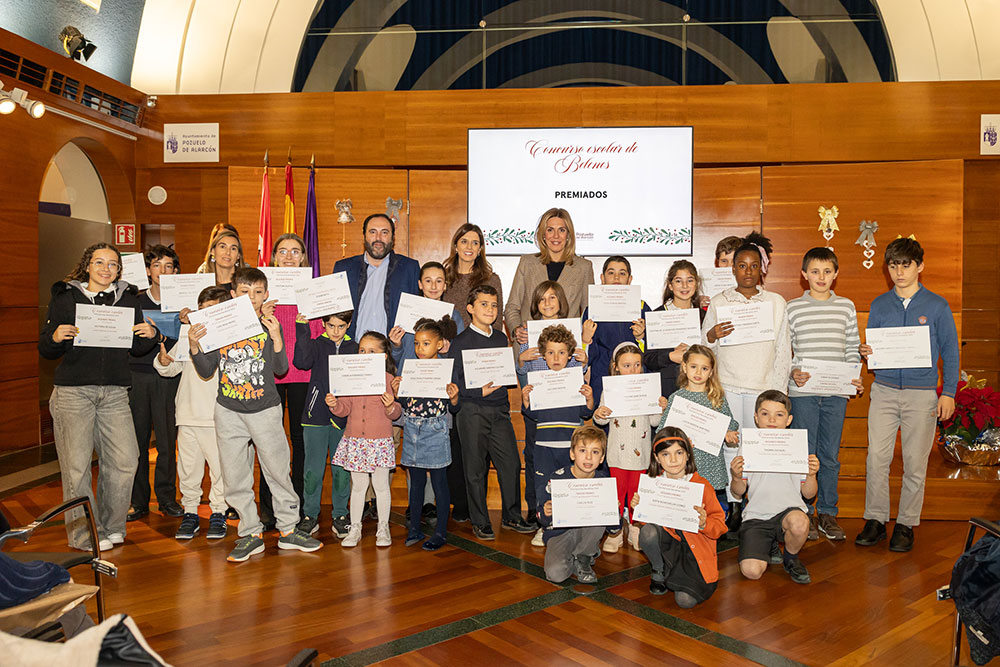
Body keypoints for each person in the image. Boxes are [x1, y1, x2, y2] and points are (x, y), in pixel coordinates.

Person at [190, 267, 322, 562]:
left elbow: (280, 369)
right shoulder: (219, 325)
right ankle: (250, 533)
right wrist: (195, 345)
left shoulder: (268, 324)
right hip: (228, 411)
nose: (252, 298)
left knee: (278, 471)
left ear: (266, 295)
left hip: (265, 409)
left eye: (258, 293)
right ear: (233, 294)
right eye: (245, 292)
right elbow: (206, 369)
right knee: (235, 475)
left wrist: (276, 337)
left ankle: (288, 530)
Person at [39, 242, 161, 552]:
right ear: (87, 266)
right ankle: (83, 535)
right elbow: (46, 347)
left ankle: (112, 527)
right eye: (99, 263)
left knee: (125, 460)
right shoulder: (65, 297)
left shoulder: (129, 300)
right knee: (77, 469)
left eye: (113, 265)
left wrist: (151, 336)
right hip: (73, 393)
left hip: (116, 392)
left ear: (120, 270)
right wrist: (55, 337)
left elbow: (134, 348)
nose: (106, 269)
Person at [856, 237, 958, 553]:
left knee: (915, 463)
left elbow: (951, 352)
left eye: (906, 265)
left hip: (922, 395)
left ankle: (905, 523)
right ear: (888, 269)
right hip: (884, 391)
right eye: (894, 265)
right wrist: (867, 351)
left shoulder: (937, 305)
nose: (899, 272)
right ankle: (875, 519)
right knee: (877, 458)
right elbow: (874, 348)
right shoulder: (879, 304)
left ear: (919, 267)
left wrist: (949, 392)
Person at [702, 232, 790, 528]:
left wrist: (778, 394)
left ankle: (760, 507)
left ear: (762, 269)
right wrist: (712, 335)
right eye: (742, 265)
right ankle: (735, 504)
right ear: (733, 268)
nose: (748, 271)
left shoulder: (776, 302)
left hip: (762, 390)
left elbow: (782, 350)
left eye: (754, 266)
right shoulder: (719, 302)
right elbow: (703, 349)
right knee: (728, 447)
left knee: (756, 448)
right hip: (727, 387)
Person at [787, 247, 863, 542]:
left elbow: (851, 348)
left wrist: (853, 379)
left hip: (835, 393)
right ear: (804, 275)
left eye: (827, 271)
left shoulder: (845, 306)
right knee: (804, 455)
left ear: (836, 274)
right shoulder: (792, 308)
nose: (821, 277)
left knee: (829, 455)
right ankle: (803, 510)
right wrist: (793, 372)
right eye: (815, 272)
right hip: (803, 393)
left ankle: (828, 512)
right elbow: (787, 351)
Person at [450, 285, 532, 540]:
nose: (490, 309)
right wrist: (477, 393)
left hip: (499, 411)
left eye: (494, 305)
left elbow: (506, 376)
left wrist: (503, 406)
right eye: (484, 304)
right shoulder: (459, 342)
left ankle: (511, 516)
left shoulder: (499, 339)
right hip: (471, 411)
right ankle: (480, 520)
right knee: (475, 469)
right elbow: (453, 383)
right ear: (471, 309)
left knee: (511, 463)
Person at [153, 286, 230, 541]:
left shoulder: (230, 338)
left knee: (220, 468)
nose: (207, 315)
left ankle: (218, 511)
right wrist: (162, 362)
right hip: (187, 414)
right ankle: (190, 512)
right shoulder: (187, 336)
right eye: (203, 310)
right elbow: (170, 367)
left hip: (217, 416)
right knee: (188, 468)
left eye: (213, 310)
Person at [258, 234, 322, 530]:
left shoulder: (312, 291)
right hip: (270, 373)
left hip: (302, 375)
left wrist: (310, 318)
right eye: (282, 251)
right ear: (273, 258)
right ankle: (268, 506)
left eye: (295, 251)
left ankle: (295, 503)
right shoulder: (261, 294)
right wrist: (261, 316)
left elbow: (321, 334)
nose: (288, 256)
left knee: (300, 440)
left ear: (303, 259)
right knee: (269, 440)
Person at [516, 279, 588, 532]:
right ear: (536, 304)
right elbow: (522, 370)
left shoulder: (573, 332)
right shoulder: (527, 331)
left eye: (552, 298)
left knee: (567, 460)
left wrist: (584, 361)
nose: (547, 303)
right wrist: (521, 360)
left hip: (566, 411)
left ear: (561, 302)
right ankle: (537, 511)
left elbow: (578, 371)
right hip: (539, 406)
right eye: (542, 299)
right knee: (535, 459)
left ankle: (570, 511)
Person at [729, 390, 820, 585]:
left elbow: (808, 494)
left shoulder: (797, 447)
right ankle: (769, 544)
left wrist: (811, 475)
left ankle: (791, 558)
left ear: (789, 420)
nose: (772, 419)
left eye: (779, 414)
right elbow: (738, 492)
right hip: (757, 516)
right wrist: (736, 476)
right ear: (755, 418)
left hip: (789, 513)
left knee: (800, 522)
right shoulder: (748, 447)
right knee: (751, 571)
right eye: (764, 414)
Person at [632, 427, 727, 606]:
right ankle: (659, 570)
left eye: (679, 453)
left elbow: (720, 527)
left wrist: (704, 523)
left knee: (684, 601)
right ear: (657, 459)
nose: (673, 460)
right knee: (647, 532)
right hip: (670, 547)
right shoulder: (654, 484)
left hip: (694, 550)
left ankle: (680, 576)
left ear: (688, 455)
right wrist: (640, 507)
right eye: (666, 454)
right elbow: (649, 523)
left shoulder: (702, 486)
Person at [521, 324, 596, 546]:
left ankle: (570, 528)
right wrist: (526, 401)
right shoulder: (538, 382)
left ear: (569, 355)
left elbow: (586, 412)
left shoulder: (577, 380)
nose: (556, 357)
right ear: (543, 355)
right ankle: (545, 527)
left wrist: (590, 398)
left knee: (569, 486)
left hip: (569, 449)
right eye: (551, 352)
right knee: (543, 488)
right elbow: (533, 415)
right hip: (544, 447)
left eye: (562, 352)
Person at [391, 317, 460, 551]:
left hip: (436, 428)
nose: (421, 348)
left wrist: (454, 397)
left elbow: (455, 407)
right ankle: (414, 529)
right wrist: (398, 391)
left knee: (440, 482)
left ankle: (441, 531)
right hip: (412, 427)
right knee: (416, 481)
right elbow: (406, 402)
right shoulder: (410, 367)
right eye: (418, 343)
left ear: (439, 344)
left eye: (427, 343)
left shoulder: (446, 368)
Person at [328, 331, 402, 548]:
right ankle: (355, 527)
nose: (365, 354)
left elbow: (397, 413)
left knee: (381, 485)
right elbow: (344, 409)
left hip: (379, 441)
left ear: (384, 356)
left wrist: (390, 406)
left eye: (372, 351)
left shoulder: (390, 380)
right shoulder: (352, 378)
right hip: (355, 440)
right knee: (358, 486)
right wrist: (334, 404)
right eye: (362, 350)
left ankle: (383, 527)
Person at [127, 245, 183, 522]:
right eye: (158, 265)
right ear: (148, 271)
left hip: (169, 377)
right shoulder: (135, 302)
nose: (164, 270)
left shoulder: (183, 304)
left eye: (169, 266)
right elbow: (133, 345)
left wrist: (159, 334)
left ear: (175, 271)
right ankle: (138, 501)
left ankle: (167, 498)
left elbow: (181, 344)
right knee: (136, 442)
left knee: (166, 441)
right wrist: (157, 336)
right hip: (137, 377)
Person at [594, 342, 666, 553]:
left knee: (637, 494)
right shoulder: (611, 390)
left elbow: (654, 422)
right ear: (615, 366)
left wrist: (661, 407)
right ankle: (615, 532)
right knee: (617, 494)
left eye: (637, 365)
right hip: (617, 454)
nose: (632, 370)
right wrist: (600, 414)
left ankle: (635, 529)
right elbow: (601, 421)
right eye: (626, 365)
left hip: (641, 455)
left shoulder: (649, 389)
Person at [292, 310, 358, 539]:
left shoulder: (355, 347)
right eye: (331, 326)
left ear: (348, 325)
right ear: (323, 324)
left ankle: (341, 515)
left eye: (341, 326)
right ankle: (309, 515)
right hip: (314, 416)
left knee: (341, 470)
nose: (336, 331)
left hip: (344, 417)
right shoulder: (316, 344)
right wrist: (302, 327)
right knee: (312, 470)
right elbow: (300, 362)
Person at [657, 345, 739, 516]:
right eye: (694, 367)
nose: (698, 372)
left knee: (711, 509)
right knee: (686, 508)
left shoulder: (716, 397)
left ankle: (710, 536)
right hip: (686, 462)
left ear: (711, 372)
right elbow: (663, 430)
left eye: (704, 368)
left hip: (711, 461)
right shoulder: (677, 397)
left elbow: (730, 423)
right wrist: (679, 439)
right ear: (685, 367)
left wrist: (729, 433)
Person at [536, 425, 612, 584]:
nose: (589, 457)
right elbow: (542, 518)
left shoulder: (604, 483)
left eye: (595, 452)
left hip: (588, 529)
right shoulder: (557, 479)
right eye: (583, 450)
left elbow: (614, 529)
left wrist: (613, 511)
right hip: (560, 533)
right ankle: (578, 556)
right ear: (572, 453)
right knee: (555, 574)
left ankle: (584, 555)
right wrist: (546, 512)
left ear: (602, 458)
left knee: (599, 510)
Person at [506, 208, 594, 342]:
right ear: (543, 235)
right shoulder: (527, 263)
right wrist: (516, 329)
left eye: (562, 230)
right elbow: (512, 307)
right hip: (530, 347)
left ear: (569, 235)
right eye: (550, 230)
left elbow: (590, 313)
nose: (556, 236)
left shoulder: (584, 267)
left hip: (566, 350)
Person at [332, 213, 420, 340]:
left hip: (393, 352)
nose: (378, 238)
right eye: (373, 232)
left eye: (384, 232)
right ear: (364, 236)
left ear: (393, 238)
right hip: (353, 351)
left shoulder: (409, 268)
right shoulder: (343, 269)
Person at [581, 256, 650, 408]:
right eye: (611, 273)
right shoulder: (592, 309)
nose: (616, 277)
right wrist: (585, 340)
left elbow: (653, 354)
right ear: (602, 278)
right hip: (603, 376)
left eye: (622, 273)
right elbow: (588, 356)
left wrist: (641, 338)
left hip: (635, 377)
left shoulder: (642, 308)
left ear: (630, 279)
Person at [643, 259, 705, 397]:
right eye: (678, 281)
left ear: (696, 283)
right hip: (667, 387)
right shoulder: (657, 316)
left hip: (699, 386)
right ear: (670, 285)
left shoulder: (703, 316)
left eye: (690, 280)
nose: (684, 286)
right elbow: (648, 359)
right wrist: (670, 356)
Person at [442, 223, 504, 331]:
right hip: (448, 345)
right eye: (464, 241)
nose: (469, 247)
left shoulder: (491, 280)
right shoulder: (443, 278)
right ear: (456, 246)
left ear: (480, 249)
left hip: (479, 345)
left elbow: (496, 323)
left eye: (475, 243)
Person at [196, 224, 244, 289]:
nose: (228, 252)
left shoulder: (247, 283)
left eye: (233, 248)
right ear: (212, 251)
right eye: (222, 247)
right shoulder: (201, 282)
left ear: (238, 255)